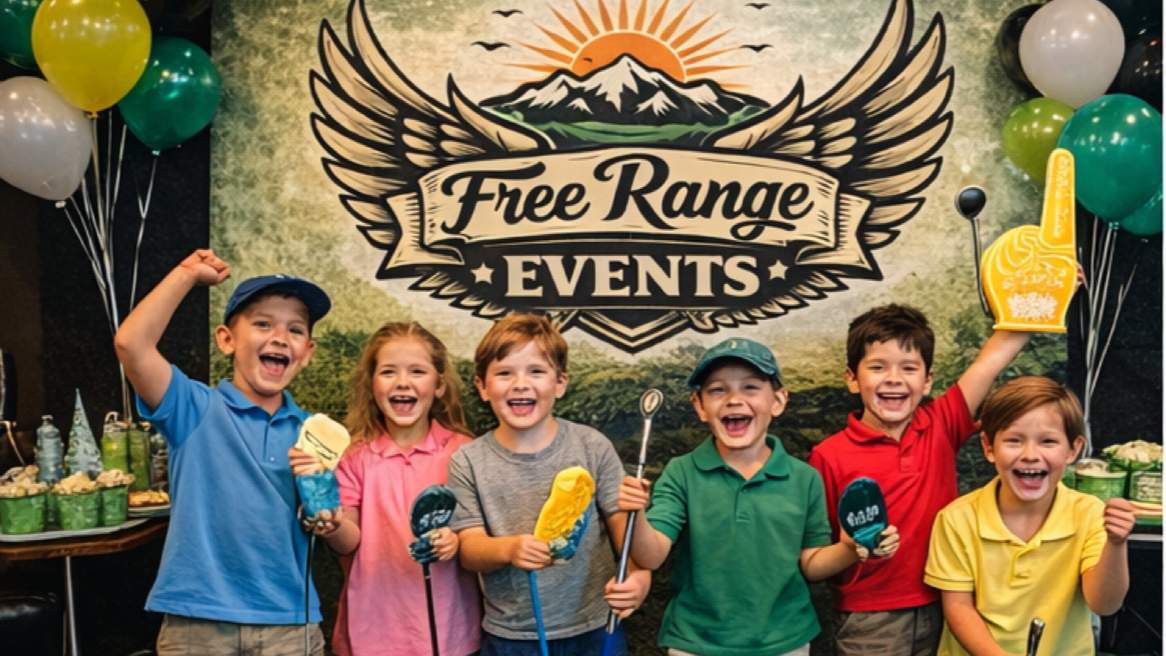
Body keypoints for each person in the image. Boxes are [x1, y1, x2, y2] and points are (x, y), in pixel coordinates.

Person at [114, 249, 333, 655]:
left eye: (295, 329)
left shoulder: (314, 434)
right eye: (263, 324)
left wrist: (323, 514)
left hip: (289, 623)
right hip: (198, 620)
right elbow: (131, 344)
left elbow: (324, 520)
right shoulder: (193, 408)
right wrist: (185, 275)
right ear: (227, 339)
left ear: (307, 352)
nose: (280, 337)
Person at [618, 337, 898, 656]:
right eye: (717, 390)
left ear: (777, 401)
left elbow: (811, 565)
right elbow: (652, 556)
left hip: (786, 642)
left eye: (750, 387)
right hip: (696, 643)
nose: (734, 399)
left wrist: (851, 548)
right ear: (699, 406)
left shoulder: (804, 478)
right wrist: (636, 513)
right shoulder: (681, 472)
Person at [808, 304, 1031, 655]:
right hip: (870, 619)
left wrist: (1050, 289)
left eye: (909, 368)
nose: (894, 378)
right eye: (878, 366)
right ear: (852, 378)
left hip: (951, 601)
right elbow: (814, 558)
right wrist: (853, 548)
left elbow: (992, 358)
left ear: (927, 380)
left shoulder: (941, 422)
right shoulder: (828, 456)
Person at [445, 313, 651, 656]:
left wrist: (638, 578)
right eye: (504, 372)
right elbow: (469, 550)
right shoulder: (467, 460)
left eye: (536, 371)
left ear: (560, 383)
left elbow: (623, 533)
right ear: (482, 386)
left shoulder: (591, 446)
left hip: (596, 628)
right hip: (511, 636)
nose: (520, 383)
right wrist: (508, 550)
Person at [288, 321, 482, 656]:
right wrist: (326, 516)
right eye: (388, 371)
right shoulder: (354, 456)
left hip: (450, 635)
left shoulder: (465, 452)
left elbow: (478, 535)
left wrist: (456, 540)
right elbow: (349, 541)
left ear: (439, 384)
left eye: (417, 371)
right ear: (372, 384)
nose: (402, 381)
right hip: (371, 635)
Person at [925, 377, 1135, 656]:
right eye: (1014, 440)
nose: (1030, 455)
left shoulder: (1089, 514)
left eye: (1048, 441)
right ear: (988, 447)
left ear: (1073, 449)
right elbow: (958, 607)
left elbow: (1105, 604)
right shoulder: (957, 519)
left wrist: (1116, 543)